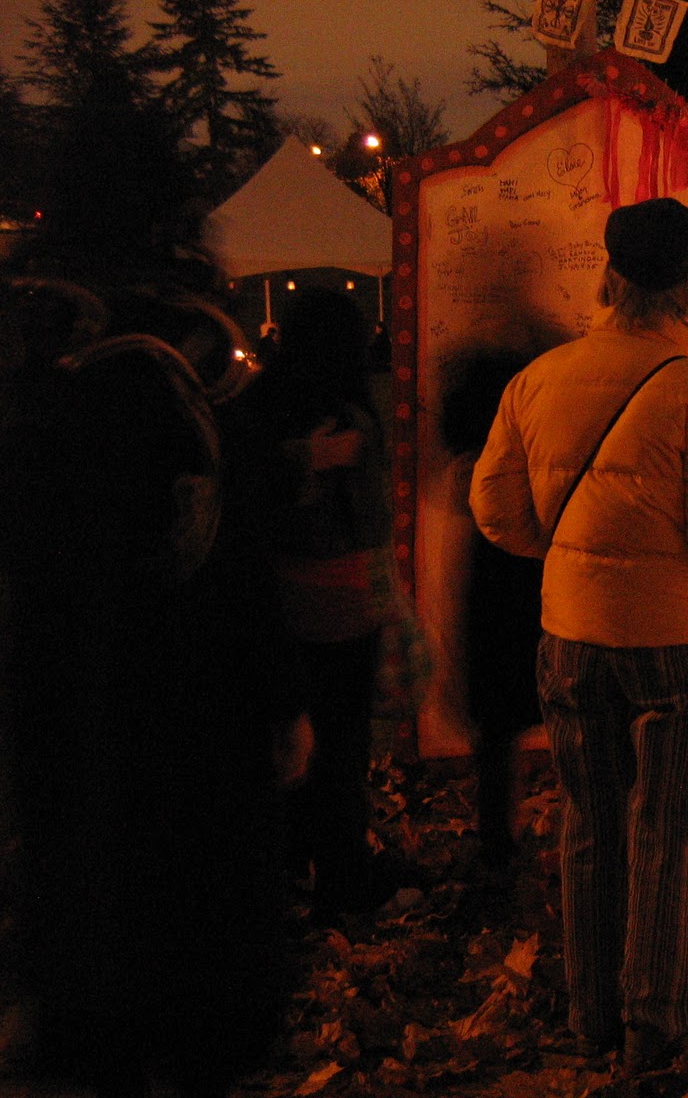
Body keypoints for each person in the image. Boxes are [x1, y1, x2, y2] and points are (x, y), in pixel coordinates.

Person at [469, 197, 688, 1073]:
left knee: (591, 821)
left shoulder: (539, 379)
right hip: (678, 643)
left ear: (609, 276)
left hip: (571, 631)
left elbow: (496, 509)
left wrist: (570, 558)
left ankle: (590, 1012)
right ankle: (652, 1021)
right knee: (662, 830)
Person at [0, 272, 304, 1098]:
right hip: (203, 739)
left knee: (106, 923)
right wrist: (283, 706)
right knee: (198, 927)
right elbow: (248, 587)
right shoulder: (198, 449)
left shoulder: (52, 459)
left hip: (88, 747)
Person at [245, 285, 402, 921]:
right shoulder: (347, 416)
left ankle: (292, 865)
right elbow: (369, 519)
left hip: (277, 602)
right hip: (342, 603)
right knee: (341, 745)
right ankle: (343, 880)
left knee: (293, 742)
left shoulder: (261, 404)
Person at [438, 347, 545, 871]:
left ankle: (497, 838)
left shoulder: (474, 451)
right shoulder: (540, 384)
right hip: (536, 565)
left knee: (497, 721)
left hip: (491, 567)